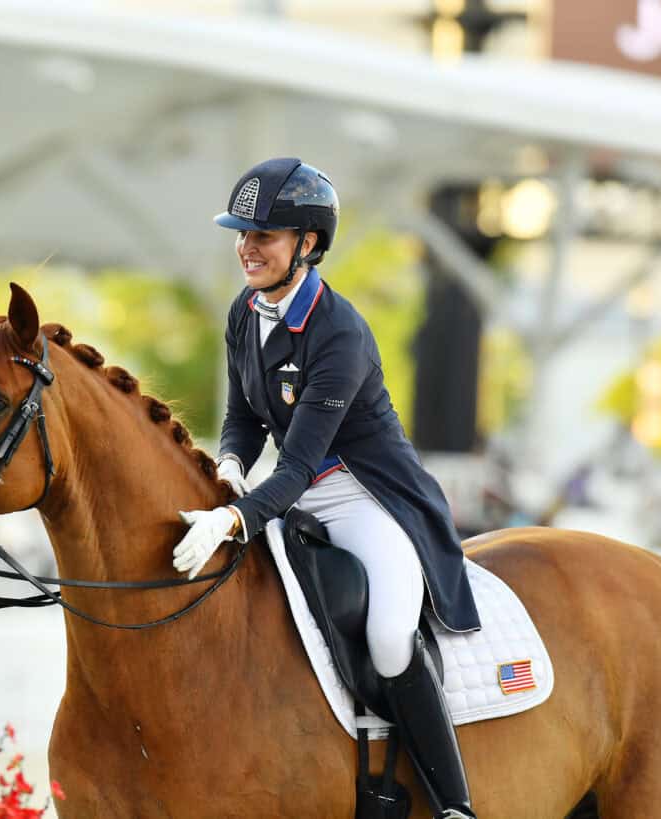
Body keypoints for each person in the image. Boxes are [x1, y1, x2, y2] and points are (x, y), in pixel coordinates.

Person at [173, 157, 481, 819]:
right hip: (303, 492)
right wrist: (227, 467)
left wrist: (232, 520)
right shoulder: (243, 312)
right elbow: (243, 417)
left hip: (371, 496)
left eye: (266, 235)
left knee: (393, 635)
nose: (247, 248)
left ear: (307, 244)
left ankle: (454, 803)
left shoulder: (340, 333)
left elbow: (301, 460)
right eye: (243, 234)